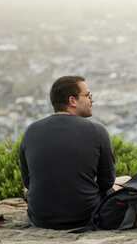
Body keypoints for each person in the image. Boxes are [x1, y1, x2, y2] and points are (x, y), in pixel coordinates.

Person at [19, 75, 118, 230]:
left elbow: (27, 182)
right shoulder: (97, 131)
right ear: (72, 101)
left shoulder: (31, 130)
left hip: (40, 218)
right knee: (124, 182)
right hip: (85, 217)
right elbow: (107, 183)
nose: (92, 100)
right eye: (87, 95)